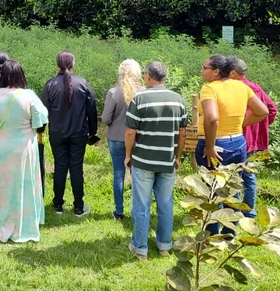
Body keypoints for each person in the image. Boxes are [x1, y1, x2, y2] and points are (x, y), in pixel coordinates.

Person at [196, 55, 269, 233]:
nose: (201, 70)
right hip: (238, 142)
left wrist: (210, 147)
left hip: (215, 143)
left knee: (212, 190)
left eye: (204, 67)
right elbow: (262, 111)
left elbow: (212, 118)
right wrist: (241, 124)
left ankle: (211, 234)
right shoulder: (242, 86)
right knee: (233, 188)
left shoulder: (209, 89)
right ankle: (230, 233)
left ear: (216, 71)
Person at [0, 59, 49, 243]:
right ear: (21, 75)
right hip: (24, 147)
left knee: (2, 186)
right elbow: (41, 123)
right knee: (24, 185)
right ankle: (25, 221)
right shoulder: (28, 96)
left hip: (0, 146)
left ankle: (2, 220)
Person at [124, 61, 187, 260]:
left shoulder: (139, 99)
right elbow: (182, 133)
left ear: (149, 76)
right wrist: (177, 156)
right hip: (168, 160)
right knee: (166, 204)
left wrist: (128, 155)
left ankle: (140, 247)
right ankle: (164, 246)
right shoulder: (178, 100)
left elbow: (130, 131)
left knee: (141, 205)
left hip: (143, 160)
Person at [41, 50, 97, 216]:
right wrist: (92, 131)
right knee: (76, 168)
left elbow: (42, 111)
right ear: (73, 64)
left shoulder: (50, 85)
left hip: (57, 133)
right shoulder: (83, 83)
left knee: (60, 166)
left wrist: (40, 130)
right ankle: (79, 206)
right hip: (79, 133)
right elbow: (92, 110)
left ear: (57, 65)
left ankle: (58, 204)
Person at [229, 57, 278, 218]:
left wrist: (248, 124)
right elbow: (272, 109)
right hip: (256, 139)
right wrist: (261, 126)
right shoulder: (256, 88)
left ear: (233, 73)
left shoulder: (238, 89)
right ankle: (249, 210)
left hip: (240, 137)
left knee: (235, 174)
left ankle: (235, 209)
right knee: (249, 174)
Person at [101, 59, 143, 221]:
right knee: (137, 176)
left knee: (118, 175)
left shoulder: (113, 92)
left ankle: (119, 212)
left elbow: (105, 118)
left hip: (116, 138)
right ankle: (136, 210)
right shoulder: (143, 92)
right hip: (138, 139)